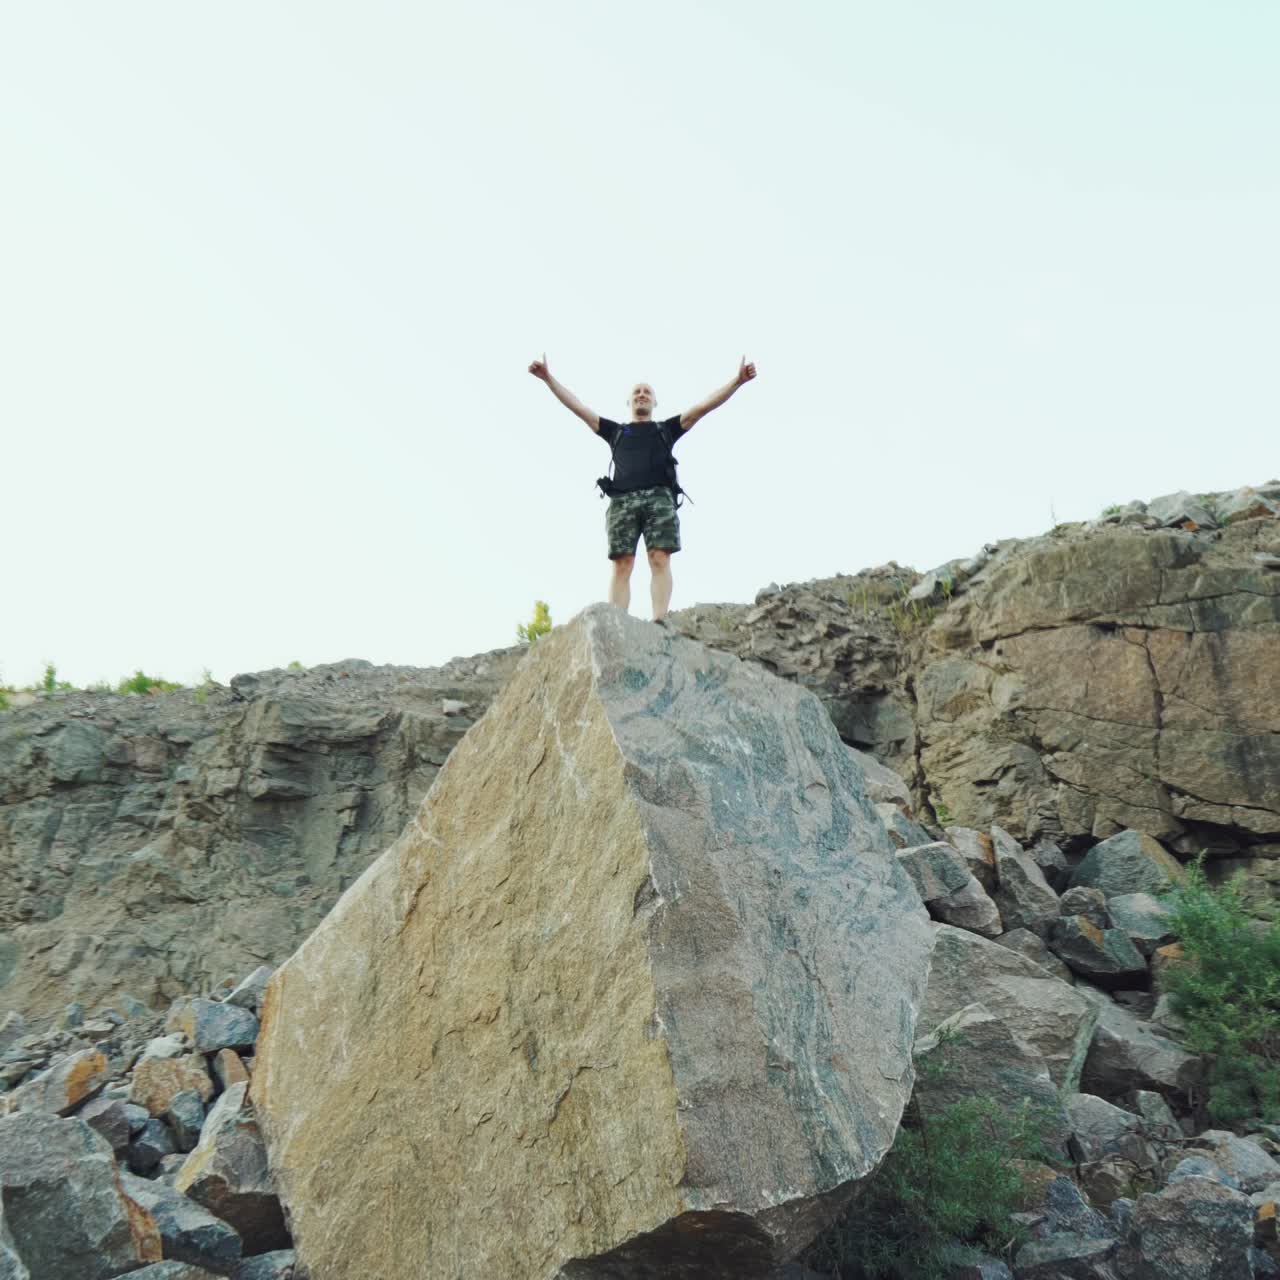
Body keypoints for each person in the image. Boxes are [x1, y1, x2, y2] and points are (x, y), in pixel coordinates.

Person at [528, 355, 757, 623]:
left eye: (647, 392)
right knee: (622, 563)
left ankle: (659, 620)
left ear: (654, 402)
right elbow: (578, 407)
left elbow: (704, 407)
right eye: (636, 392)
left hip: (659, 498)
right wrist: (548, 380)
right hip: (622, 500)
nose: (641, 395)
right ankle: (617, 621)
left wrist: (737, 381)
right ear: (629, 402)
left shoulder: (666, 430)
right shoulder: (616, 432)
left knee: (659, 558)